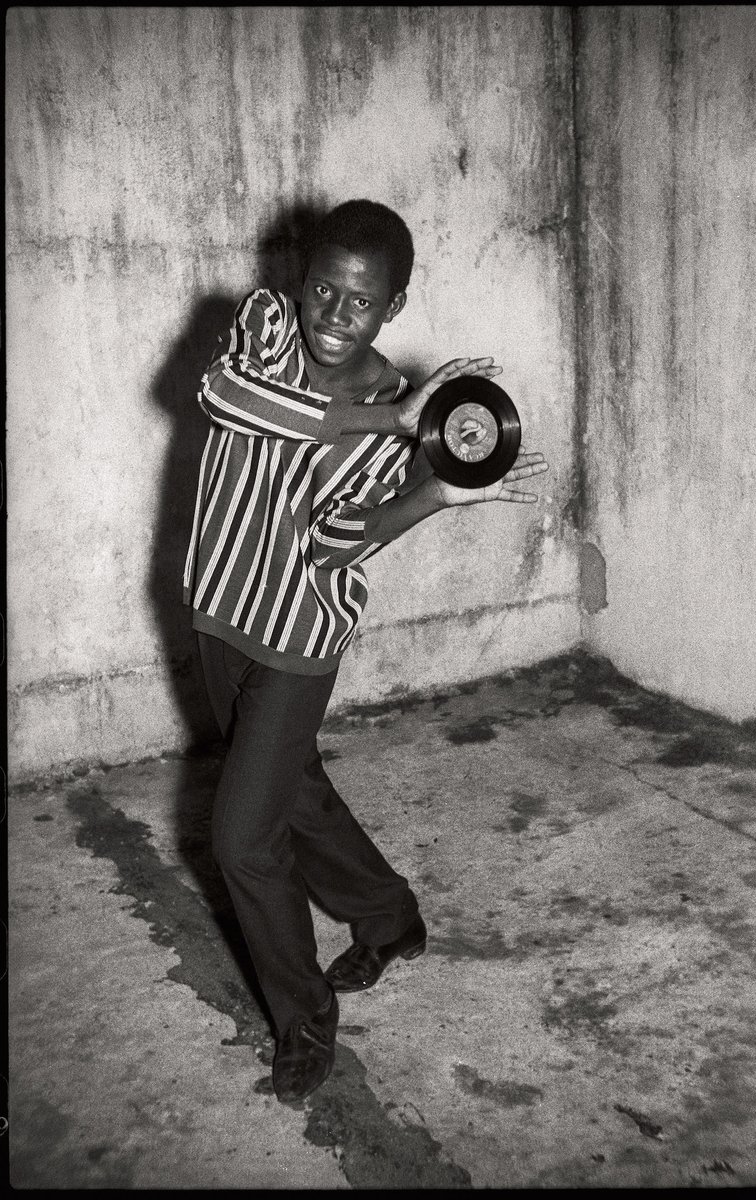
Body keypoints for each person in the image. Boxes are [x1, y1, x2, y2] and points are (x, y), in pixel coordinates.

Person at [182, 199, 548, 1104]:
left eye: (362, 301)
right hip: (218, 610)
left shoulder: (399, 405)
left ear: (394, 305)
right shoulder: (265, 329)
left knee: (241, 838)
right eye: (324, 291)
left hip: (300, 633)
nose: (335, 316)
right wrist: (385, 426)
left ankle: (304, 1019)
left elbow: (342, 540)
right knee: (287, 787)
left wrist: (436, 494)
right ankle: (389, 919)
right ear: (300, 284)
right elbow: (221, 397)